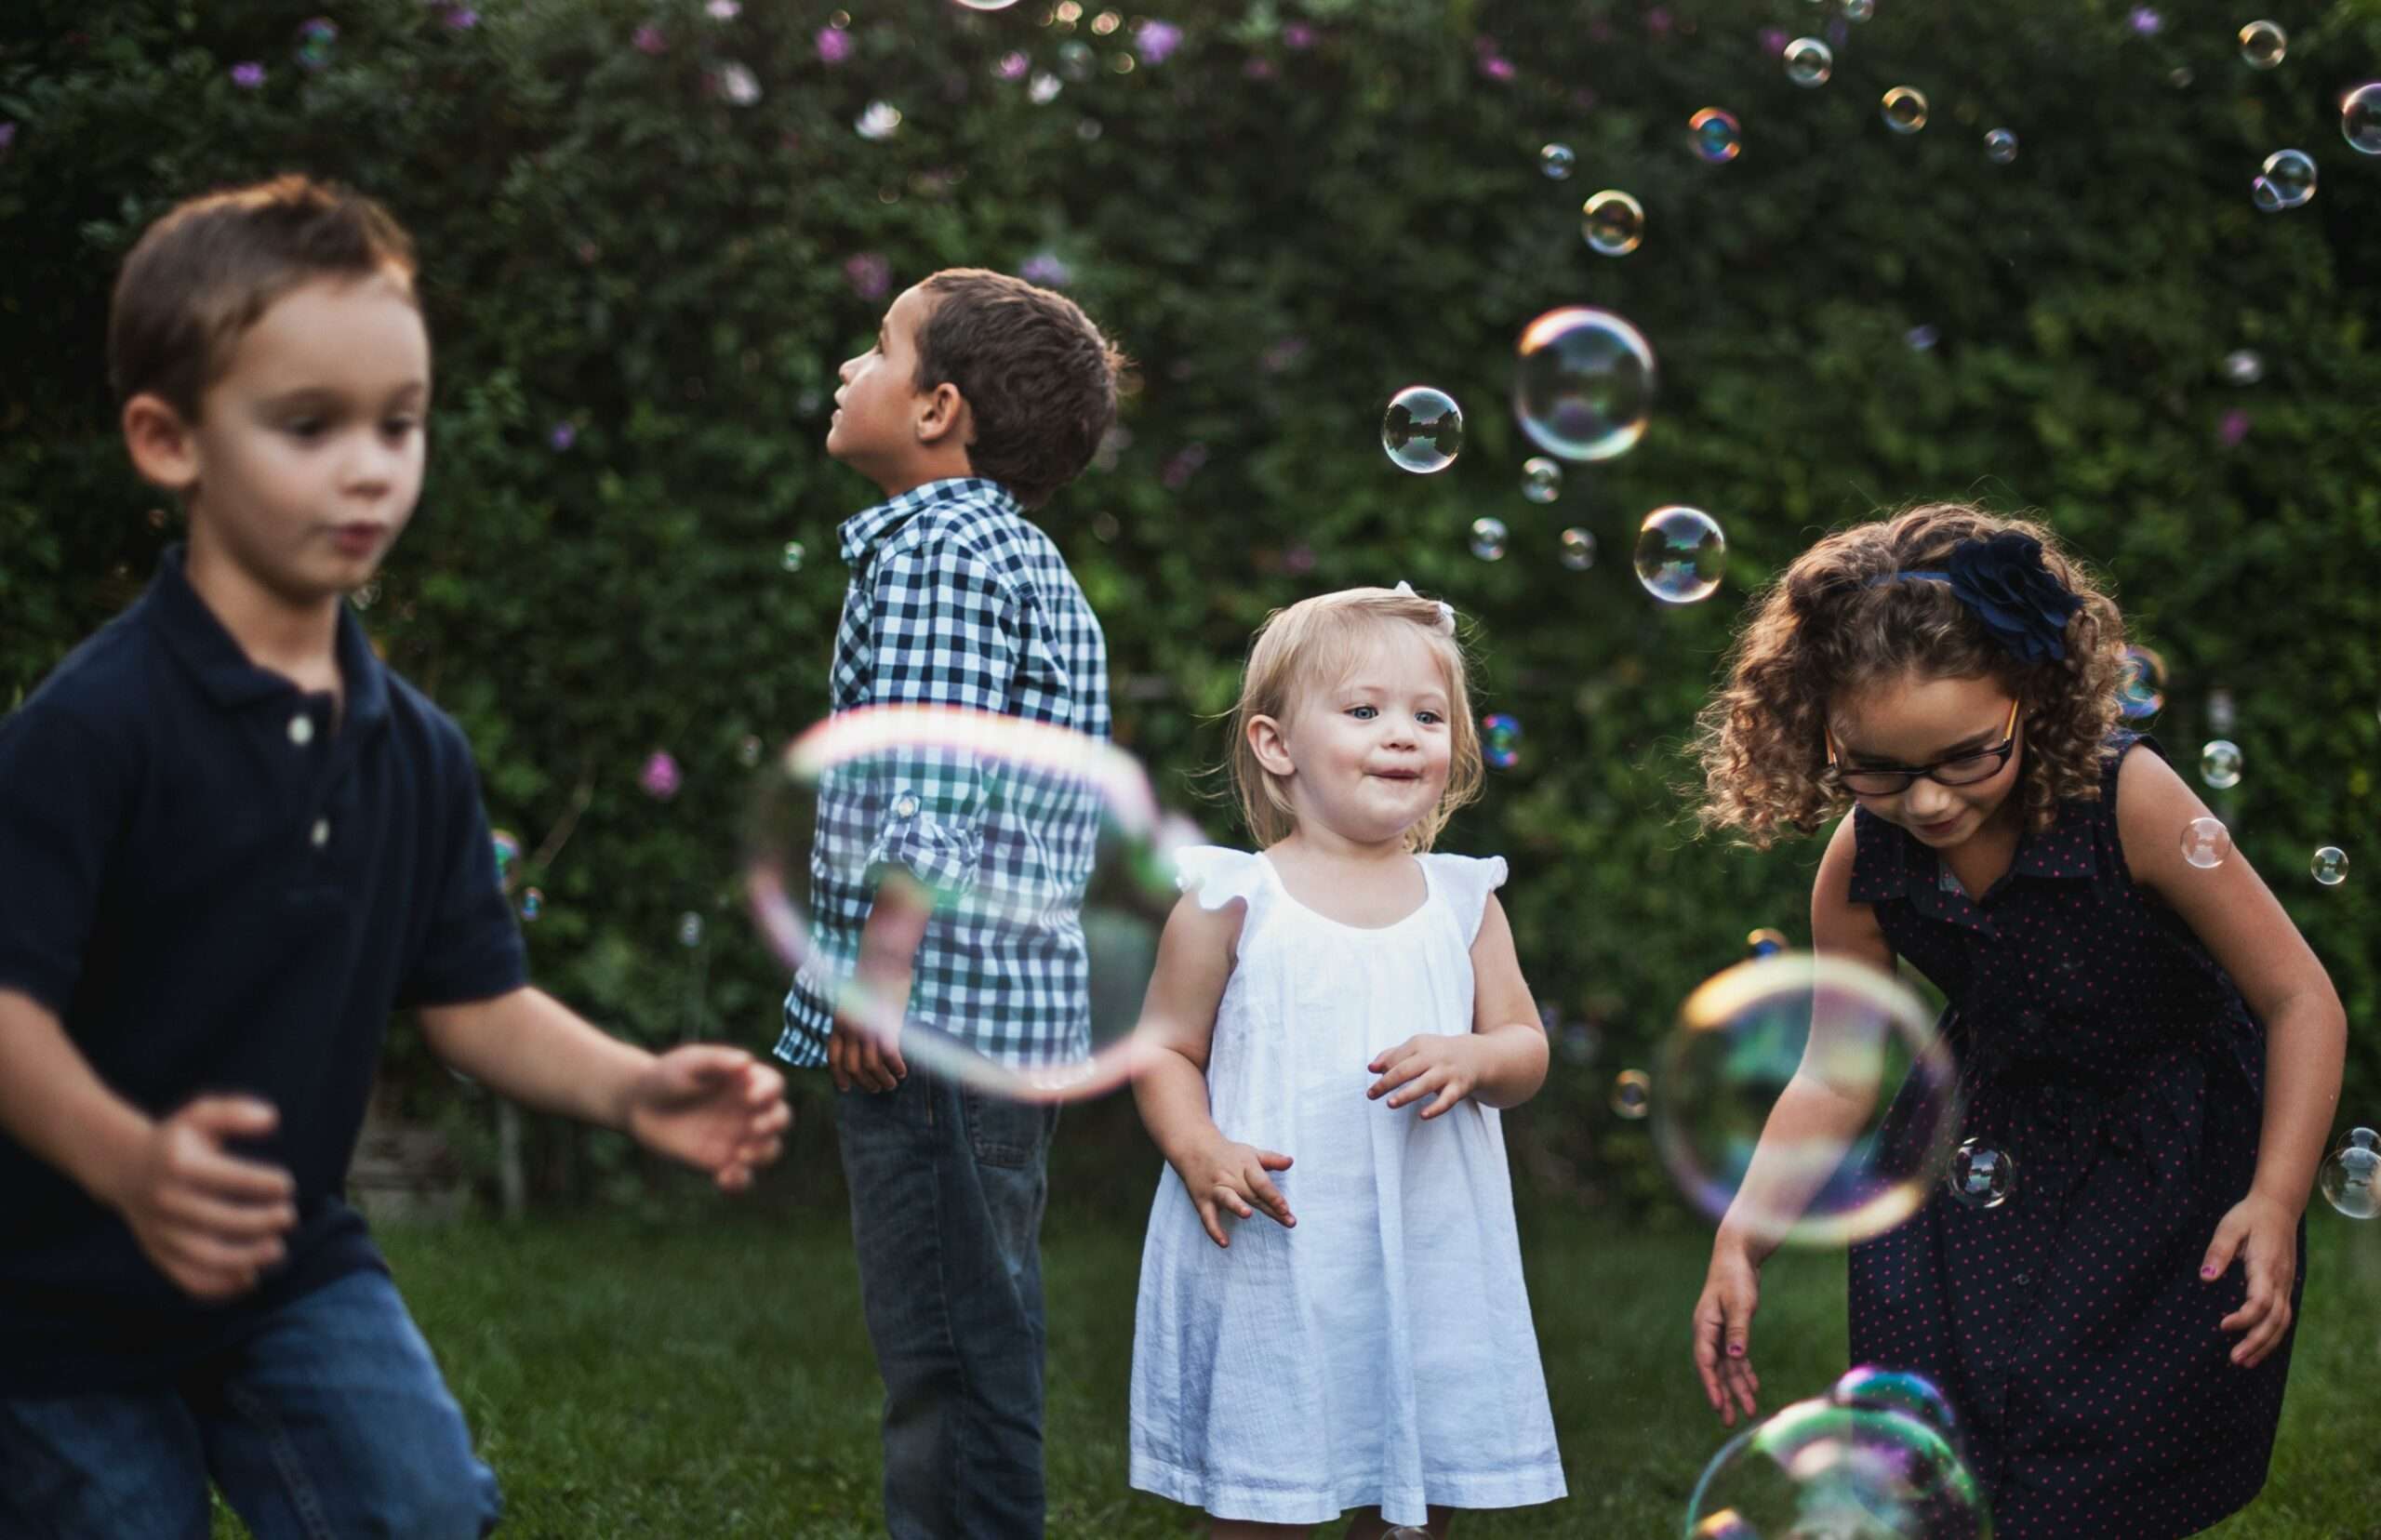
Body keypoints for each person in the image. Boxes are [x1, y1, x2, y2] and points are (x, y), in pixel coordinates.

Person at [0, 175, 791, 1539]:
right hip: (54, 1293)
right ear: (167, 438)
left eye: (399, 423)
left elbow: (473, 999)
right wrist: (132, 1162)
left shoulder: (413, 750)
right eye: (309, 426)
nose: (370, 465)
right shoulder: (93, 731)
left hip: (284, 1267)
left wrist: (632, 1088)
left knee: (419, 1507)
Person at [1684, 502, 2347, 1538]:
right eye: (1878, 769)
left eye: (1963, 757)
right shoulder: (1862, 863)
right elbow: (1833, 1072)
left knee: (2105, 1443)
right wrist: (1743, 1236)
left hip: (2164, 1146)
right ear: (1823, 734)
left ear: (2030, 701)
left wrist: (2273, 1196)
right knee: (1951, 1437)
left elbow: (2297, 996)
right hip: (1979, 1144)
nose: (1929, 802)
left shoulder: (2128, 799)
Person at [776, 268, 1126, 1537]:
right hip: (998, 1021)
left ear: (937, 410)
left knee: (949, 1352)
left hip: (936, 1021)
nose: (844, 372)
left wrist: (880, 970)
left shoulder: (936, 552)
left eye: (874, 350)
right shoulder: (1019, 558)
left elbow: (927, 779)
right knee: (981, 1325)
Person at [1127, 584, 1568, 1539]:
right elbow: (1164, 1046)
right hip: (1277, 1244)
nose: (1401, 734)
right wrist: (1198, 1145)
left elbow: (1525, 1048)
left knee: (1418, 1482)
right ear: (1276, 745)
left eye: (1426, 714)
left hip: (1427, 1239)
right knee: (1264, 1485)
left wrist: (1476, 1056)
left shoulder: (1461, 900)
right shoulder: (1232, 898)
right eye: (1363, 711)